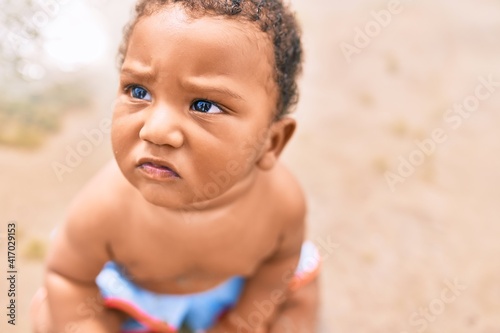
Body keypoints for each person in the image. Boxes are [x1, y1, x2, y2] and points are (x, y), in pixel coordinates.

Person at [31, 0, 320, 332]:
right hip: (135, 300)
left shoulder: (281, 204)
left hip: (233, 292)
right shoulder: (105, 207)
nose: (155, 130)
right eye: (138, 91)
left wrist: (241, 322)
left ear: (271, 142)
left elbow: (279, 265)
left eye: (204, 105)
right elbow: (68, 276)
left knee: (300, 299)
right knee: (49, 317)